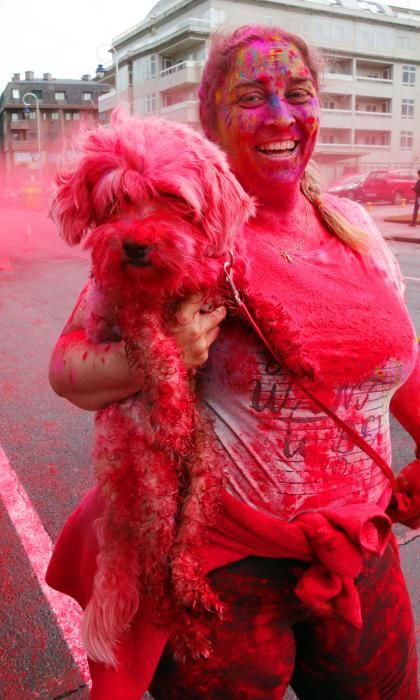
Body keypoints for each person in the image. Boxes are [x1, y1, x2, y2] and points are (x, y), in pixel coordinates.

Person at [46, 25, 420, 700]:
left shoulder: (356, 227)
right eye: (251, 97)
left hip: (361, 551)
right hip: (226, 571)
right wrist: (155, 358)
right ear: (211, 116)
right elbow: (67, 369)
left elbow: (398, 361)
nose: (280, 116)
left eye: (296, 93)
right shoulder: (180, 229)